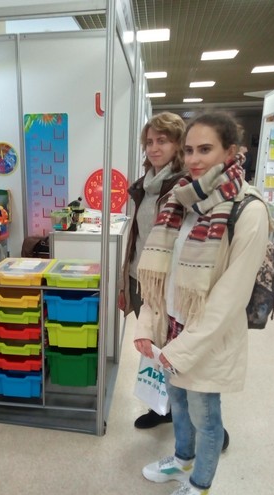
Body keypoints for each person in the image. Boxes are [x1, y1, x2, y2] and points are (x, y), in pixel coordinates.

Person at [134, 112, 270, 495]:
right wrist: (148, 325)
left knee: (205, 415)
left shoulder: (248, 209)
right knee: (177, 401)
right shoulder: (181, 199)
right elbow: (161, 272)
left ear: (231, 152)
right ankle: (183, 459)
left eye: (206, 149)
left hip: (207, 336)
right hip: (173, 325)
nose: (194, 159)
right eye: (190, 149)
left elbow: (230, 298)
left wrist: (184, 349)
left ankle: (201, 489)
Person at [118, 112, 185, 429]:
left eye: (163, 141)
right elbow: (137, 237)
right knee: (150, 345)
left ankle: (193, 414)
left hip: (167, 282)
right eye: (149, 142)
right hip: (138, 278)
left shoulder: (183, 186)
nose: (154, 148)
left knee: (173, 347)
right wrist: (124, 282)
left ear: (178, 144)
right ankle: (160, 407)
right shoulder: (144, 186)